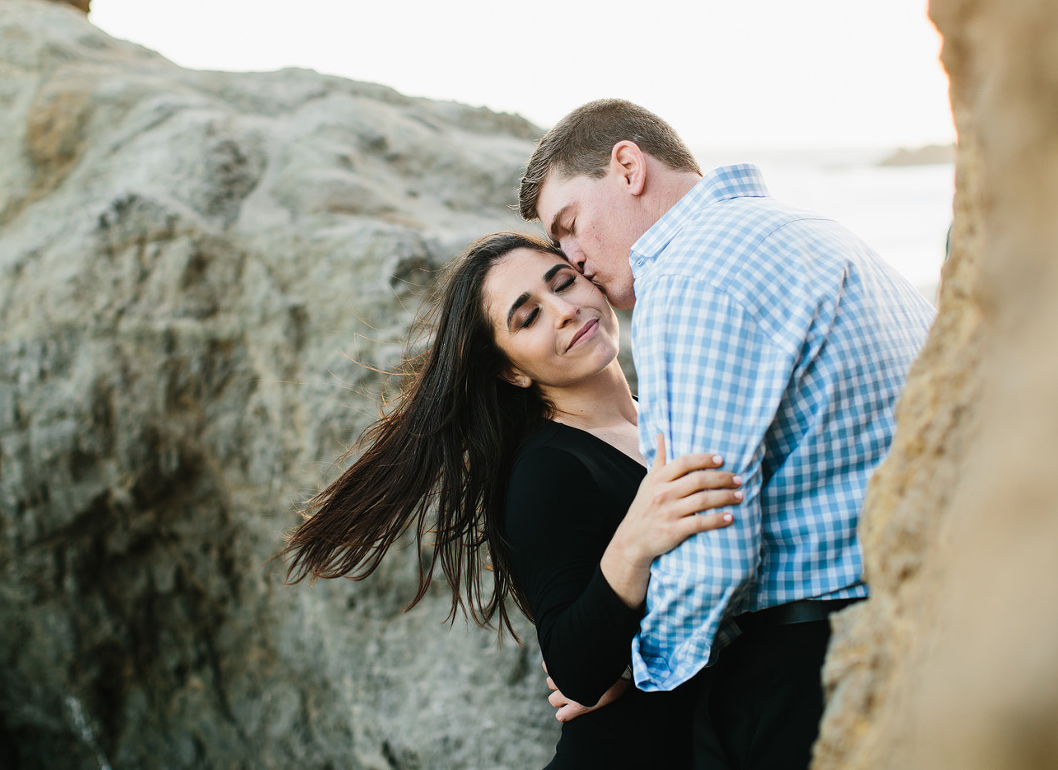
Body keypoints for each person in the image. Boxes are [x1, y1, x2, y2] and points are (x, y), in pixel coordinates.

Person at [518, 99, 935, 769]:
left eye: (569, 226)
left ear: (626, 166)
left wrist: (627, 669)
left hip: (817, 661)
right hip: (920, 615)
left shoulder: (688, 279)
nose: (573, 258)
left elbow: (713, 544)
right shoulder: (807, 227)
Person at [281, 231, 741, 769]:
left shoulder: (665, 413)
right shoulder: (549, 471)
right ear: (512, 370)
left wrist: (638, 662)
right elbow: (574, 670)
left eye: (564, 283)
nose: (565, 311)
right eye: (529, 317)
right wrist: (633, 545)